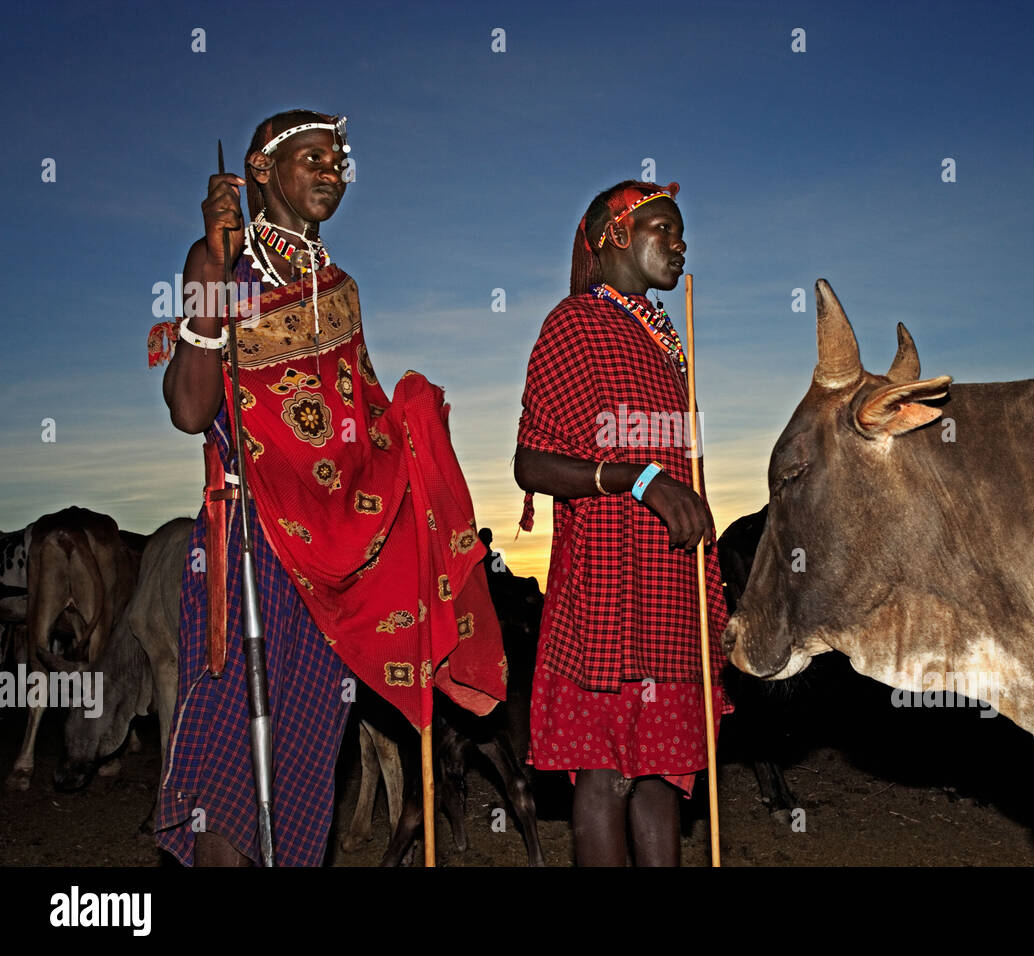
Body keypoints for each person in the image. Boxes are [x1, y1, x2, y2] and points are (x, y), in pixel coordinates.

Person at [152, 110, 504, 866]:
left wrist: (413, 441)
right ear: (258, 169)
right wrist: (212, 273)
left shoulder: (339, 289)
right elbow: (188, 408)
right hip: (249, 547)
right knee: (229, 776)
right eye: (310, 156)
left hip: (333, 572)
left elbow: (358, 430)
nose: (330, 168)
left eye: (338, 158)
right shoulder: (221, 262)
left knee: (303, 770)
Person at [514, 180, 730, 866]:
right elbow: (531, 463)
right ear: (614, 234)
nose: (679, 243)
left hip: (671, 579)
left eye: (681, 232)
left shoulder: (669, 344)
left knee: (663, 768)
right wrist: (638, 479)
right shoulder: (574, 324)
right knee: (605, 771)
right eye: (662, 228)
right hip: (607, 581)